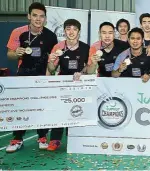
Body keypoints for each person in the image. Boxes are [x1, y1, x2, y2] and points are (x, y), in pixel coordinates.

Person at [5, 2, 58, 153]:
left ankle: (42, 137)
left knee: (41, 108)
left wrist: (49, 76)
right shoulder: (18, 32)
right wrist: (17, 53)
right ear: (29, 16)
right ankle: (17, 139)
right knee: (21, 108)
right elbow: (9, 54)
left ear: (45, 19)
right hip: (23, 75)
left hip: (42, 76)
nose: (38, 19)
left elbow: (52, 59)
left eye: (41, 16)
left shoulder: (51, 36)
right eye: (35, 15)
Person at [45, 19, 89, 151]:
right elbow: (52, 69)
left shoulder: (86, 48)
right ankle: (55, 140)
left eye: (74, 29)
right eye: (68, 29)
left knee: (77, 111)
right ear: (64, 31)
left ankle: (73, 138)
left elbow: (89, 68)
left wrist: (82, 73)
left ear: (79, 32)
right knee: (60, 112)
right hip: (62, 85)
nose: (71, 32)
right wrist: (51, 61)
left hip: (79, 86)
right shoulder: (58, 47)